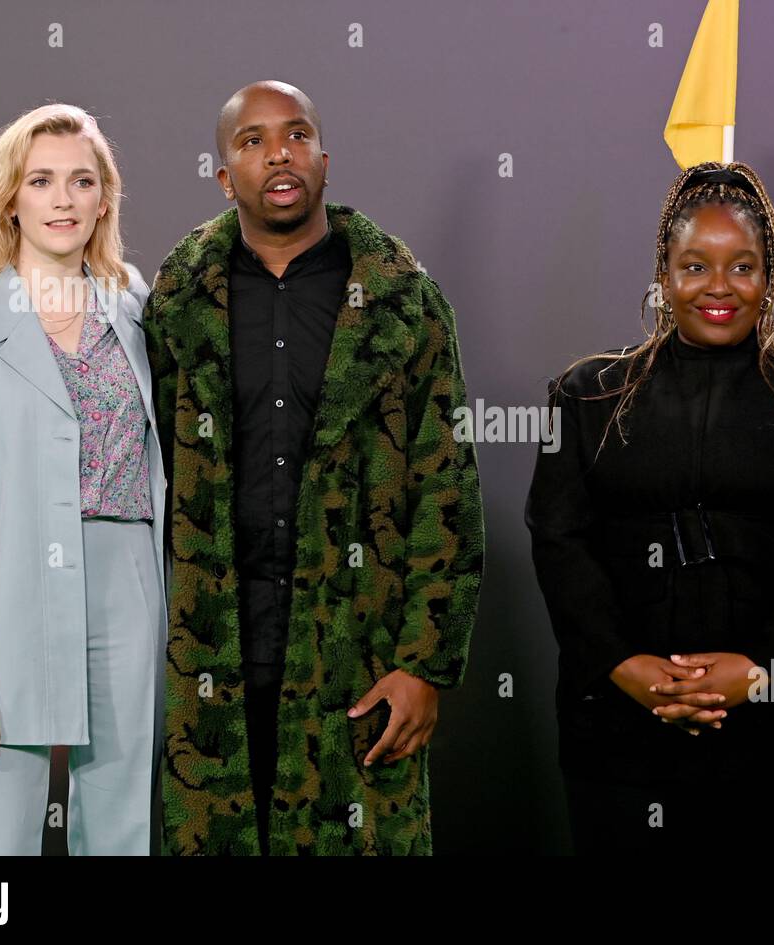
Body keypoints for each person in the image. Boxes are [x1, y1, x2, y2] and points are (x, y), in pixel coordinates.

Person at [143, 80, 484, 855]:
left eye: (295, 136)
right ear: (226, 176)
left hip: (357, 661)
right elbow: (146, 472)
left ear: (325, 159)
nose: (279, 154)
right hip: (210, 659)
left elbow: (448, 489)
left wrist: (426, 664)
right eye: (253, 141)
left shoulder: (407, 302)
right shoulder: (177, 299)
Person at [525, 161, 774, 854]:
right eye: (695, 266)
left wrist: (760, 669)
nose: (718, 287)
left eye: (742, 267)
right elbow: (558, 539)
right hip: (620, 729)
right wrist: (627, 665)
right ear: (664, 278)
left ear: (769, 278)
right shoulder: (588, 393)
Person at [0, 103, 166, 855]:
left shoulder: (139, 309)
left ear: (103, 198)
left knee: (122, 832)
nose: (63, 199)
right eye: (41, 180)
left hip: (129, 591)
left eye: (82, 181)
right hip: (1, 605)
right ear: (10, 195)